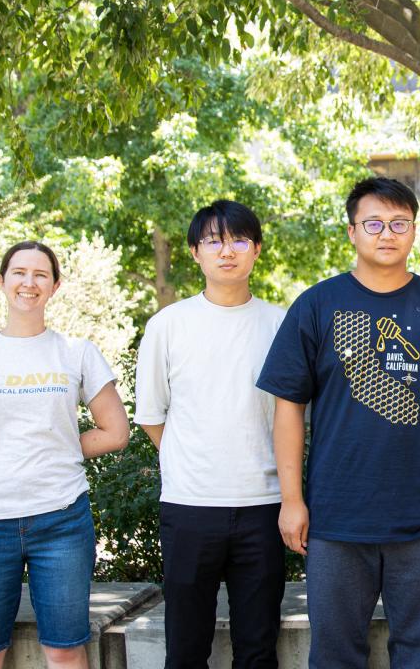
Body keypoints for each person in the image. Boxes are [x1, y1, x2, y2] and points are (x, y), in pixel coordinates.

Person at [256, 177, 420, 669]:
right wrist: (292, 499)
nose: (387, 234)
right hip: (336, 518)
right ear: (352, 232)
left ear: (414, 231)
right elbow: (288, 407)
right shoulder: (316, 306)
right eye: (374, 223)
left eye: (399, 223)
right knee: (334, 656)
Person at [0, 241, 130, 669]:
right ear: (1, 281)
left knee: (65, 650)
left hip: (61, 520)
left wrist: (55, 447)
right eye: (19, 272)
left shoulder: (76, 352)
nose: (29, 282)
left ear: (55, 286)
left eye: (41, 274)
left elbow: (116, 433)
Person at [134, 200, 287, 668]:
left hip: (265, 504)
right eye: (214, 241)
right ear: (195, 252)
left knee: (258, 648)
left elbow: (294, 416)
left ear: (256, 249)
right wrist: (190, 462)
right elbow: (151, 414)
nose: (227, 251)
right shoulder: (168, 325)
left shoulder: (281, 323)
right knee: (185, 649)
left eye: (239, 240)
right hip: (190, 505)